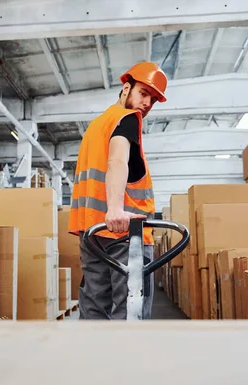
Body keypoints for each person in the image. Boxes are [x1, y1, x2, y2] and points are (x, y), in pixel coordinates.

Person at [68, 62, 168, 320]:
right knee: (130, 313)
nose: (147, 103)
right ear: (126, 89)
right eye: (143, 93)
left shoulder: (96, 126)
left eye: (153, 99)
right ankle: (125, 361)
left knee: (94, 308)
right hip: (126, 234)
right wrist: (114, 209)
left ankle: (94, 359)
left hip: (92, 234)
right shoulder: (126, 119)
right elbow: (117, 161)